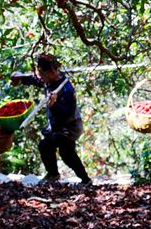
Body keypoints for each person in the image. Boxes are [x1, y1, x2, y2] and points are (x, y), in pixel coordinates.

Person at [9, 53, 91, 185]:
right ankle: (85, 180)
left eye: (42, 73)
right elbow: (35, 79)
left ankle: (54, 175)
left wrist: (54, 105)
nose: (40, 77)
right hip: (56, 127)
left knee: (48, 146)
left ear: (52, 71)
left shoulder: (66, 89)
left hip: (69, 127)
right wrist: (20, 77)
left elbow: (66, 114)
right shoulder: (48, 81)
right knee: (66, 153)